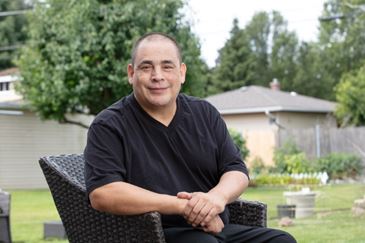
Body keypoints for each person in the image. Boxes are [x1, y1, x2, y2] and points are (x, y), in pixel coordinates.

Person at [84, 32, 296, 243]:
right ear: (131, 73)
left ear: (182, 72)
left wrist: (216, 199)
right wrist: (184, 207)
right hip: (150, 234)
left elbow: (236, 170)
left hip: (218, 228)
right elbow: (104, 193)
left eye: (167, 66)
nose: (157, 76)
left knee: (282, 240)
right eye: (146, 67)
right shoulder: (108, 125)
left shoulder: (205, 113)